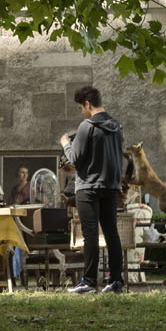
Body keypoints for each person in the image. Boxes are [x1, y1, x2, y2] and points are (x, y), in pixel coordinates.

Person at [60, 85, 126, 294]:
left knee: (90, 235)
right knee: (111, 233)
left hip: (88, 188)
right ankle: (116, 280)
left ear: (88, 104)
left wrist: (65, 143)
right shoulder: (116, 127)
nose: (82, 111)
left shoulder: (86, 126)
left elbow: (75, 158)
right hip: (110, 186)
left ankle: (89, 282)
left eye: (81, 107)